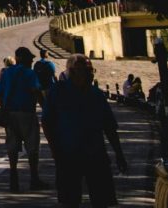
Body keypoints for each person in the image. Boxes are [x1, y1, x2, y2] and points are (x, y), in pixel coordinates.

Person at [42, 55, 127, 207]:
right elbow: (47, 122)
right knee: (70, 199)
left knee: (101, 199)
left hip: (95, 154)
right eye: (85, 70)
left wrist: (119, 154)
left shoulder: (96, 94)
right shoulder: (59, 92)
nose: (90, 74)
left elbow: (109, 127)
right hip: (68, 154)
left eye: (91, 70)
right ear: (73, 72)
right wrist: (55, 150)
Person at [0, 45, 47, 192]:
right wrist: (46, 109)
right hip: (26, 113)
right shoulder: (29, 74)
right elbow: (36, 91)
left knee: (12, 147)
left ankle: (13, 179)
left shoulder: (6, 73)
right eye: (30, 59)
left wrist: (4, 110)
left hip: (10, 114)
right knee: (32, 147)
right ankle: (34, 178)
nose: (31, 61)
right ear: (22, 59)